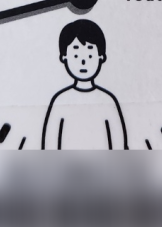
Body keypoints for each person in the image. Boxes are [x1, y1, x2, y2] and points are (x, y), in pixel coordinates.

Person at [41, 20, 128, 149]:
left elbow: (118, 143)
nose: (83, 61)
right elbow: (50, 142)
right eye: (76, 55)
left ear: (101, 57)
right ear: (64, 57)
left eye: (90, 55)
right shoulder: (60, 100)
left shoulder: (108, 100)